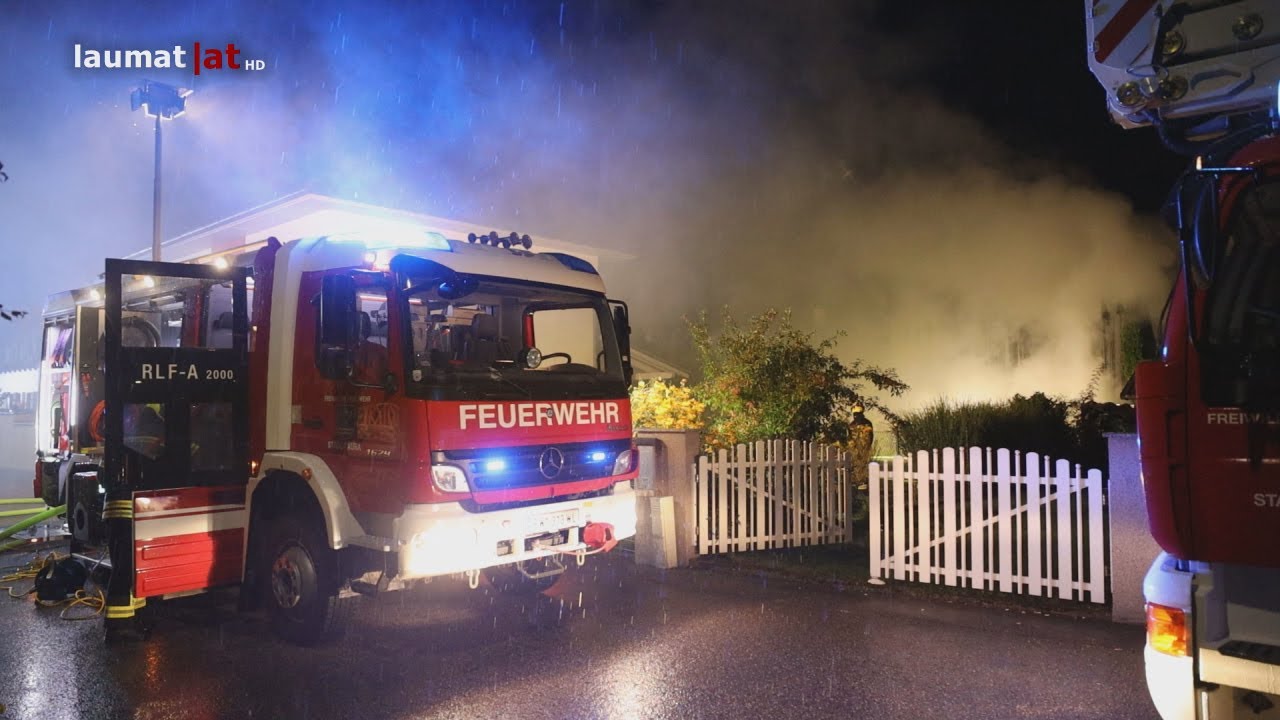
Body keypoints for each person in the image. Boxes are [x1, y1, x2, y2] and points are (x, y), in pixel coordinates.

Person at [351, 312, 388, 385]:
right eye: (358, 327)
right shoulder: (381, 350)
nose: (360, 333)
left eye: (361, 328)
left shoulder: (381, 351)